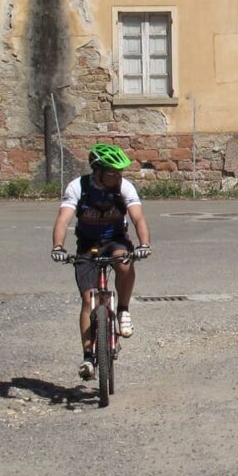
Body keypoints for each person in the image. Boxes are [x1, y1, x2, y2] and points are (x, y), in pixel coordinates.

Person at [51, 143, 152, 380]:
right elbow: (63, 220)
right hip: (87, 244)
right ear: (97, 170)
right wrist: (58, 247)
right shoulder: (78, 187)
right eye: (111, 172)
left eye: (119, 172)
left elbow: (137, 217)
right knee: (88, 300)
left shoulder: (124, 187)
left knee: (124, 260)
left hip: (115, 240)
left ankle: (123, 310)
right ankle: (87, 358)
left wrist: (144, 244)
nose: (117, 177)